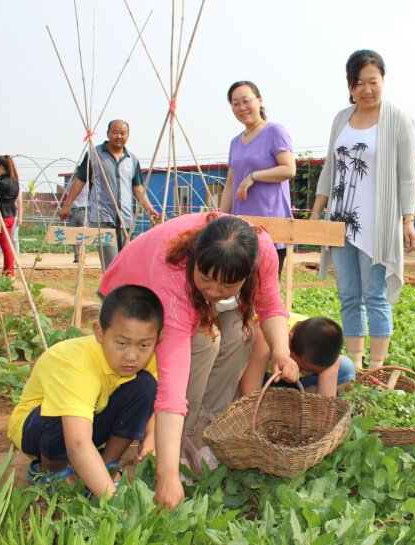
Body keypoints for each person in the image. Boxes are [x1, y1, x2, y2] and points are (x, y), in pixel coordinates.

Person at [97, 212, 297, 508]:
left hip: (189, 292)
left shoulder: (262, 250)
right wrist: (166, 476)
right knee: (206, 338)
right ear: (195, 262)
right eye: (206, 280)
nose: (215, 292)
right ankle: (177, 445)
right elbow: (172, 387)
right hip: (135, 295)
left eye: (227, 287)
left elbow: (271, 306)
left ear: (247, 273)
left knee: (241, 333)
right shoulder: (173, 270)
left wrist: (281, 349)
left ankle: (203, 434)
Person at [310, 49, 415, 372]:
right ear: (350, 85)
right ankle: (355, 364)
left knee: (375, 294)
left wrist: (408, 220)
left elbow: (406, 174)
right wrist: (317, 213)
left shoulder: (398, 120)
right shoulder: (341, 119)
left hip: (377, 224)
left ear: (383, 80)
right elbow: (330, 167)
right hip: (339, 221)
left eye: (373, 81)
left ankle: (377, 366)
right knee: (348, 295)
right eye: (359, 83)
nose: (366, 89)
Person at [7, 285, 163, 499]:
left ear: (157, 339)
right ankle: (50, 471)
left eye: (144, 345)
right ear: (99, 332)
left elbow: (155, 400)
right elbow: (78, 443)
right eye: (121, 343)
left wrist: (152, 434)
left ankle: (107, 464)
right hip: (38, 430)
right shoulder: (75, 364)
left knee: (145, 385)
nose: (131, 356)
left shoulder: (146, 357)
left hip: (88, 419)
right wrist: (113, 502)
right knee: (62, 414)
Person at [59, 120, 159, 271]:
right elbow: (80, 181)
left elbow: (137, 187)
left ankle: (119, 293)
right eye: (115, 132)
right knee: (111, 264)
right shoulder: (95, 155)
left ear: (128, 136)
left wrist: (148, 208)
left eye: (123, 133)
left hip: (125, 218)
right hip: (103, 218)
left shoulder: (132, 159)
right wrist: (67, 205)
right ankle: (110, 294)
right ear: (108, 134)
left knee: (126, 261)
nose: (119, 136)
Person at [220, 81, 296, 277]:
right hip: (241, 228)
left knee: (265, 292)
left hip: (271, 226)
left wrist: (254, 176)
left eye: (246, 101)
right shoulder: (235, 142)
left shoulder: (274, 131)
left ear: (259, 101)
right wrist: (220, 219)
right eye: (235, 103)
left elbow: (289, 169)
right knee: (240, 288)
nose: (242, 107)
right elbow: (230, 183)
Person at [239, 313, 356, 397]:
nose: (303, 373)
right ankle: (277, 393)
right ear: (289, 340)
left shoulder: (325, 345)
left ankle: (295, 393)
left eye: (313, 371)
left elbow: (325, 404)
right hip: (261, 375)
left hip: (297, 383)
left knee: (346, 368)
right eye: (301, 367)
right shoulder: (263, 335)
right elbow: (248, 395)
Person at [62, 175, 89, 263]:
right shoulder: (72, 185)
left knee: (85, 234)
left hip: (83, 210)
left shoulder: (88, 184)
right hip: (73, 211)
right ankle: (77, 256)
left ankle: (82, 255)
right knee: (73, 236)